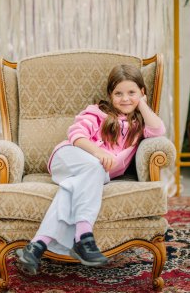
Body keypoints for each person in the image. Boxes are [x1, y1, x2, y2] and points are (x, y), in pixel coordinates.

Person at [16, 64, 166, 275]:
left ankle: (36, 246)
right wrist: (97, 152)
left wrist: (141, 103)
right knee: (92, 168)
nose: (125, 98)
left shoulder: (138, 124)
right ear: (110, 95)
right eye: (118, 93)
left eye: (132, 93)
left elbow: (159, 130)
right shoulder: (97, 112)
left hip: (94, 174)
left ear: (142, 92)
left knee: (72, 189)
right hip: (68, 158)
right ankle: (84, 238)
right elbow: (75, 135)